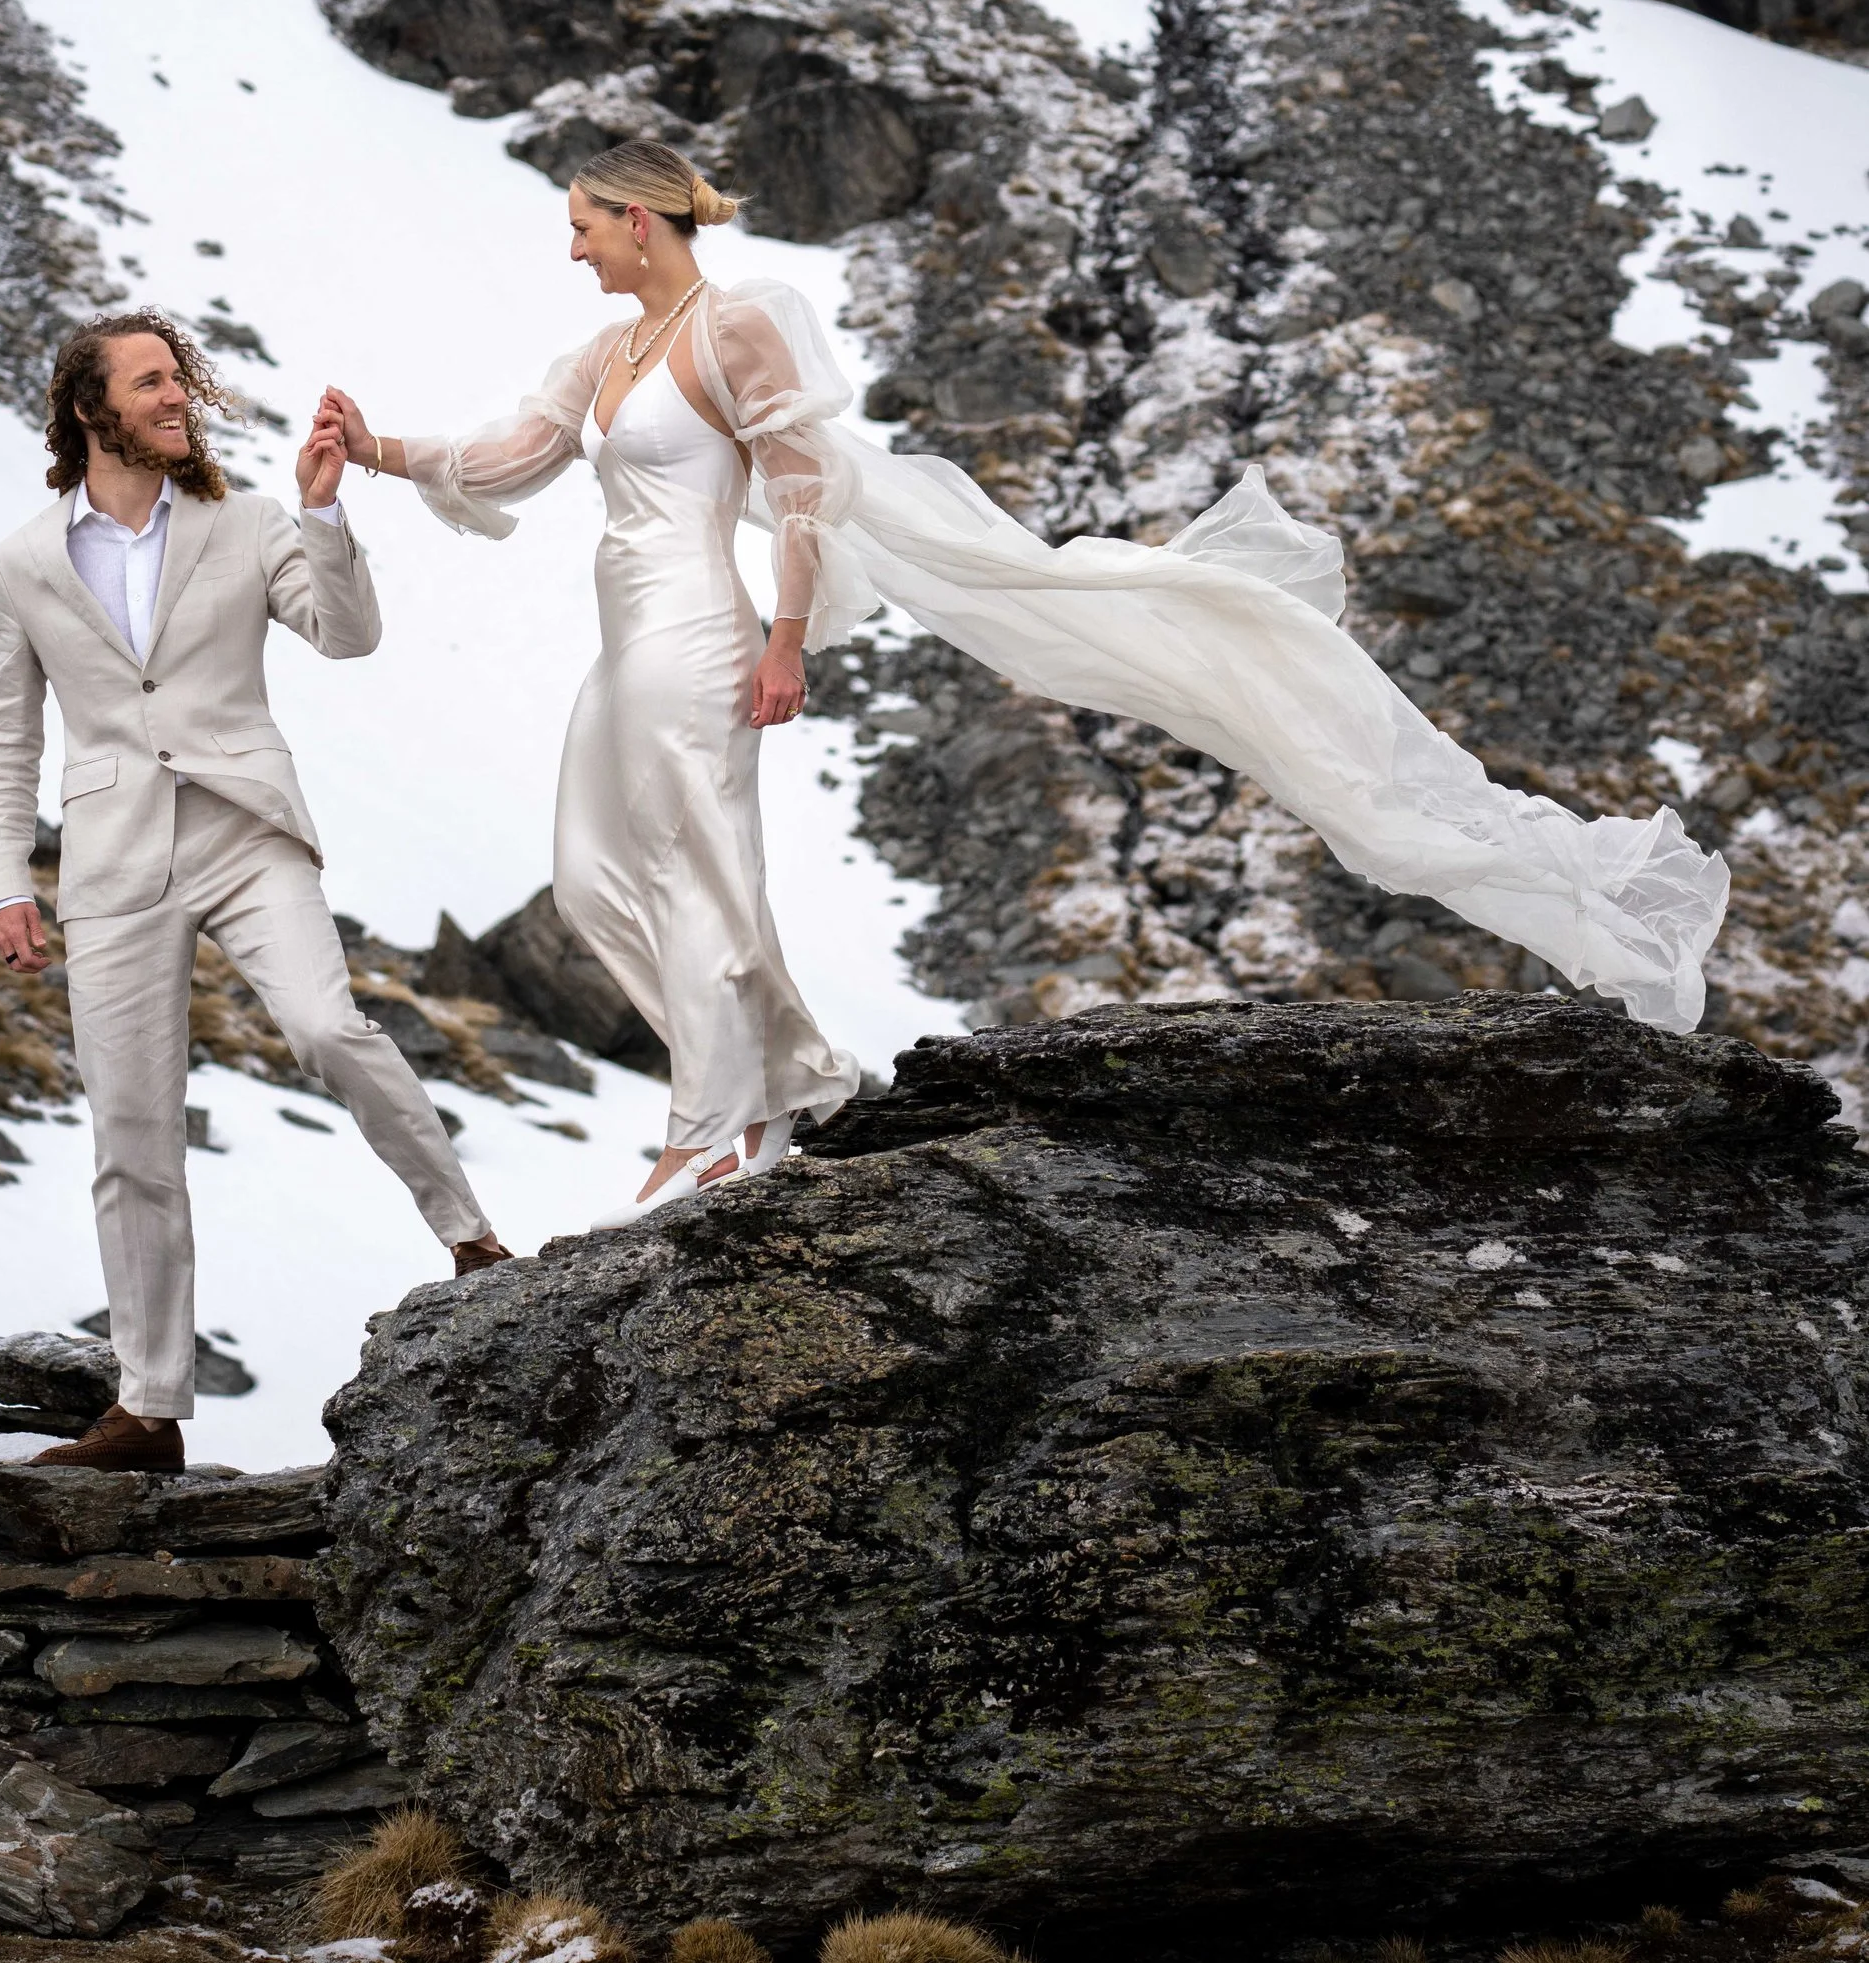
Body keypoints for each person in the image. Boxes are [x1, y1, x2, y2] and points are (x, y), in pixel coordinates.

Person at [324, 140, 1728, 1214]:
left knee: (701, 863)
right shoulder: (607, 347)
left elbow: (803, 488)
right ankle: (790, 1078)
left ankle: (719, 1122)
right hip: (621, 633)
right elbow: (515, 456)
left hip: (702, 622)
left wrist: (788, 637)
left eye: (581, 224)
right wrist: (373, 448)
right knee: (588, 875)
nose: (569, 248)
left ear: (639, 218)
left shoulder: (734, 325)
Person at [0, 309, 507, 1474]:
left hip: (245, 830)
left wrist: (322, 510)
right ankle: (149, 1409)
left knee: (327, 1024)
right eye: (152, 382)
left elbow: (347, 636)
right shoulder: (22, 562)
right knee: (132, 1135)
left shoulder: (248, 520)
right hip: (113, 862)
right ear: (89, 407)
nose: (176, 398)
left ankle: (469, 1238)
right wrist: (2, 882)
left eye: (181, 381)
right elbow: (7, 740)